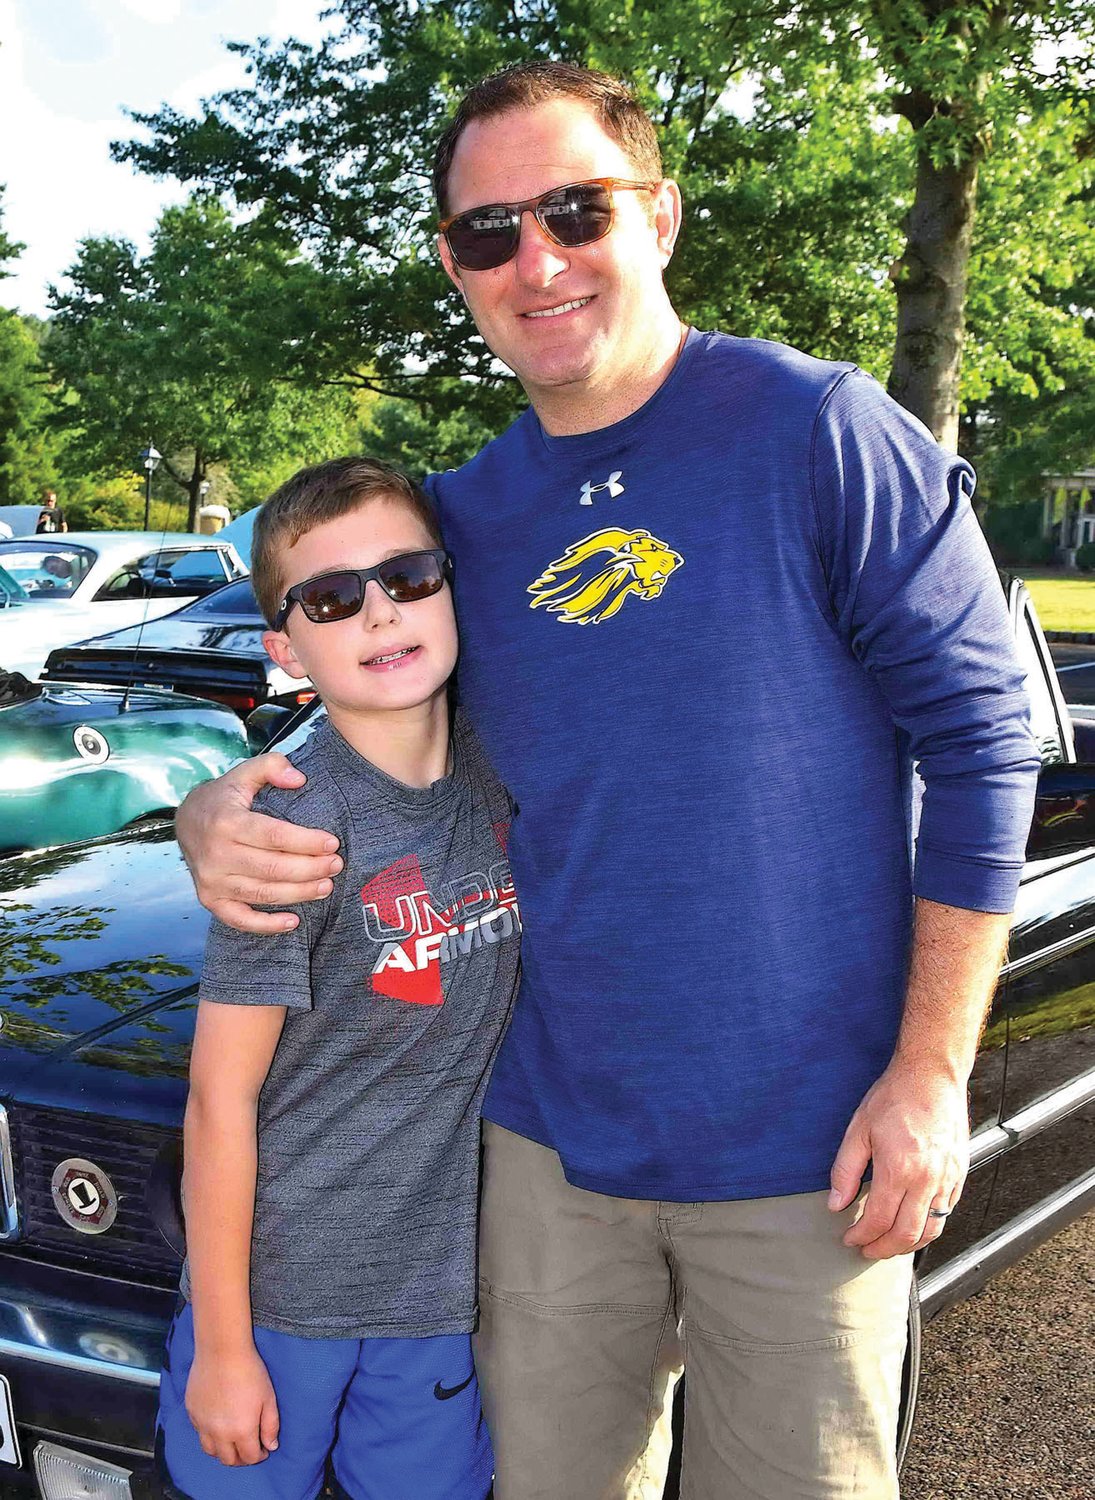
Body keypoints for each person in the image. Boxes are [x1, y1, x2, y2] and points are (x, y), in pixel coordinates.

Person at [176, 63, 1039, 1500]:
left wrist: (926, 1073)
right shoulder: (458, 521)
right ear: (455, 267)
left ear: (660, 218)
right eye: (486, 231)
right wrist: (211, 808)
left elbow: (981, 740)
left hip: (810, 1154)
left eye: (574, 209)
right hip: (544, 1159)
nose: (537, 259)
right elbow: (363, 708)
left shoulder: (815, 432)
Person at [158, 457, 520, 1500]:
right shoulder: (290, 830)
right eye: (331, 597)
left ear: (451, 584)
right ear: (286, 646)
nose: (378, 612)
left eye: (408, 576)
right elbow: (219, 1098)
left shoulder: (503, 771)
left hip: (436, 1300)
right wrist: (224, 1348)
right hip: (280, 1301)